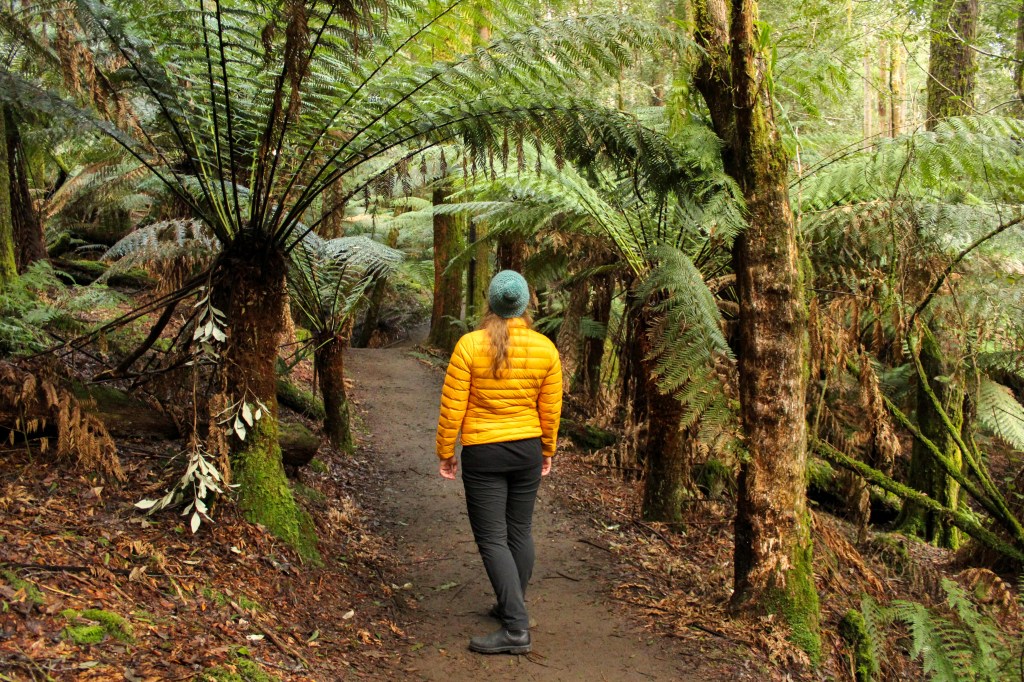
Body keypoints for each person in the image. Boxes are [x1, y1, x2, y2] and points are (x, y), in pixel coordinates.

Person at [435, 270, 563, 655]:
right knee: (519, 532)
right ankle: (513, 605)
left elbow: (452, 405)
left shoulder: (469, 346)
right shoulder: (545, 349)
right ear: (524, 305)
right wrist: (547, 449)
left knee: (493, 538)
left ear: (490, 303)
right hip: (526, 449)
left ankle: (516, 628)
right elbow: (551, 408)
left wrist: (446, 451)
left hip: (484, 453)